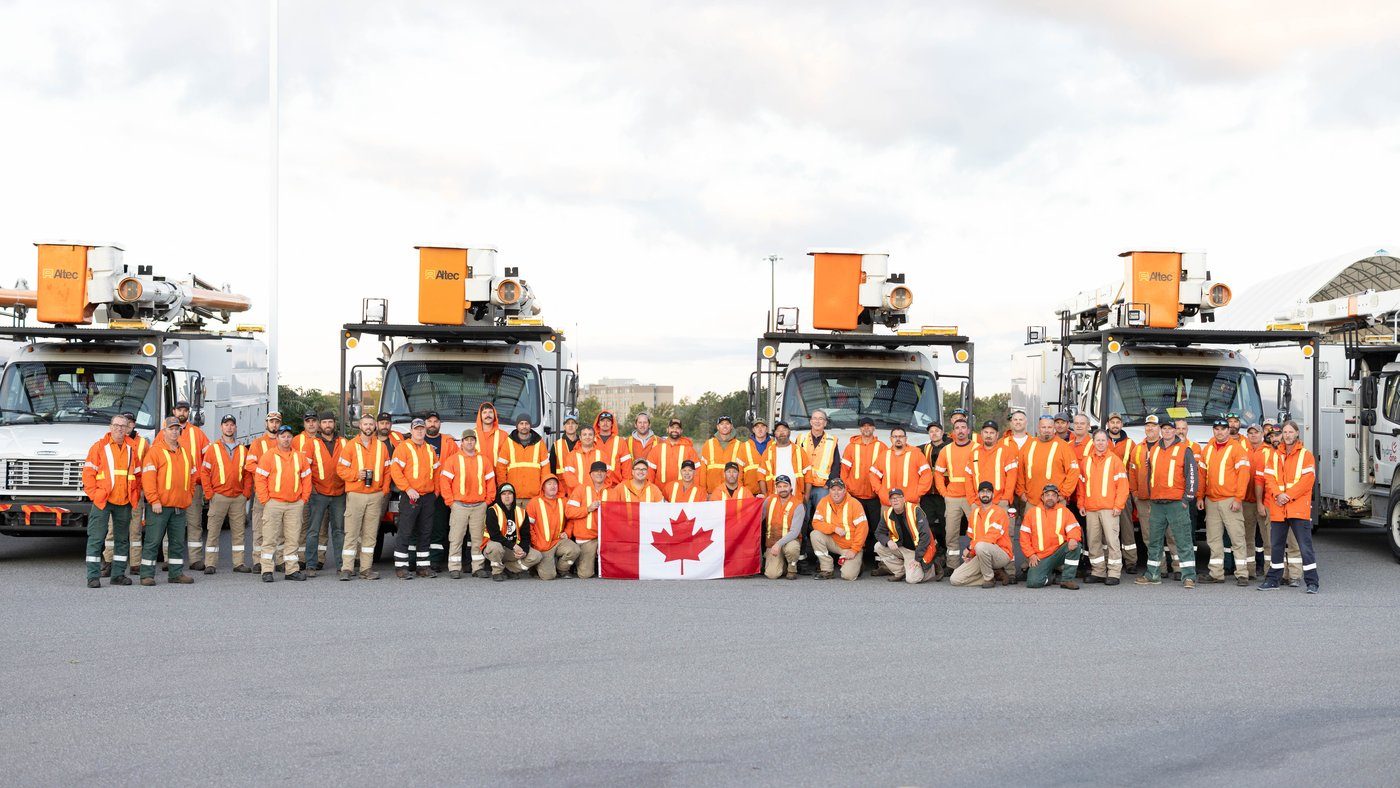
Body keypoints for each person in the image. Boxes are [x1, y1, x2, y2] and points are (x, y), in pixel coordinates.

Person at [1135, 419, 1199, 588]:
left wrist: (1187, 499)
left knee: (1183, 540)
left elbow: (1192, 475)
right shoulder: (1154, 449)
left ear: (1175, 431)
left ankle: (1189, 577)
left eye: (1170, 429)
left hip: (1177, 503)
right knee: (1154, 541)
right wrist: (1150, 496)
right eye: (1164, 428)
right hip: (1156, 503)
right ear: (1160, 430)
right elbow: (1150, 475)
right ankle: (1153, 574)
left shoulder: (1185, 450)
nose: (1168, 431)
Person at [1259, 421, 1320, 593]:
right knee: (1276, 546)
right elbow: (1269, 478)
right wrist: (1279, 494)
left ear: (1297, 433)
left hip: (1298, 507)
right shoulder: (1274, 455)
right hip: (1279, 507)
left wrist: (1287, 495)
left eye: (1290, 432)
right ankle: (1273, 580)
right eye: (1284, 432)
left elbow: (1307, 481)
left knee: (1305, 547)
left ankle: (1312, 582)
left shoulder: (1306, 455)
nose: (1287, 435)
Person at [139, 417, 198, 586]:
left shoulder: (185, 452)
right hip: (160, 506)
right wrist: (154, 500)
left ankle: (176, 573)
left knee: (177, 542)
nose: (174, 431)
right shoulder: (155, 451)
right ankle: (146, 575)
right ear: (164, 431)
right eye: (170, 429)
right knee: (153, 541)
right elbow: (148, 479)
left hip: (180, 506)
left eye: (176, 429)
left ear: (180, 431)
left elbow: (193, 476)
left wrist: (188, 496)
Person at [82, 415, 139, 587]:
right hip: (103, 500)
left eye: (123, 426)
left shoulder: (133, 447)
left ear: (128, 428)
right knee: (96, 538)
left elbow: (138, 474)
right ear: (110, 427)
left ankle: (118, 575)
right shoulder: (99, 447)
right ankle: (92, 576)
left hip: (124, 500)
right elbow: (88, 474)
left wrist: (134, 494)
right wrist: (95, 495)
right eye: (116, 425)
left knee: (122, 540)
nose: (120, 429)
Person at [253, 424, 312, 581]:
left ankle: (291, 570)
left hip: (295, 504)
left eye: (288, 436)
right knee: (269, 538)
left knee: (293, 538)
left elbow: (307, 478)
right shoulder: (269, 456)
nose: (286, 439)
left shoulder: (299, 457)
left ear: (292, 438)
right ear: (277, 438)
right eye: (283, 436)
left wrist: (303, 499)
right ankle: (266, 570)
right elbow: (260, 478)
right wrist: (266, 500)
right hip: (274, 503)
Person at [337, 413, 390, 580]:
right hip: (356, 495)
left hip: (375, 495)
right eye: (365, 424)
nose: (368, 427)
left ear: (374, 426)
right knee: (351, 533)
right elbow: (340, 469)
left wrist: (384, 491)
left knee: (370, 534)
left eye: (370, 424)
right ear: (360, 426)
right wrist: (356, 474)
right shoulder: (351, 446)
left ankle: (366, 569)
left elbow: (388, 470)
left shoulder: (382, 447)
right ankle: (347, 568)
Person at [1200, 418, 1253, 586]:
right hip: (1211, 501)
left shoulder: (1236, 449)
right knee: (1213, 539)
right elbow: (1202, 475)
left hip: (1230, 500)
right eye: (1216, 429)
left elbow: (1244, 475)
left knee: (1237, 538)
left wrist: (1238, 498)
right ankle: (1216, 573)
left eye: (1223, 429)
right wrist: (1200, 496)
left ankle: (1242, 574)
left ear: (1228, 430)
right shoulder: (1207, 449)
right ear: (1213, 431)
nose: (1220, 432)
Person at [439, 428, 496, 579]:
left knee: (478, 539)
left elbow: (491, 482)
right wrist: (450, 502)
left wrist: (487, 501)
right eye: (466, 440)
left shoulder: (484, 460)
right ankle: (454, 568)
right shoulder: (453, 460)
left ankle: (477, 568)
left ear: (475, 442)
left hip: (479, 506)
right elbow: (444, 482)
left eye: (472, 439)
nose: (469, 442)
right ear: (462, 442)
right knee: (456, 538)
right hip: (459, 506)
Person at [1246, 423, 1299, 582]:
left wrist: (1289, 496)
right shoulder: (1267, 455)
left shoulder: (1296, 454)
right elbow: (1260, 481)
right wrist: (1260, 503)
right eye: (1272, 436)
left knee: (1293, 542)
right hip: (1271, 505)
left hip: (1293, 504)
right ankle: (1276, 574)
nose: (1275, 438)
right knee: (1272, 542)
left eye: (1278, 435)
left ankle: (1294, 575)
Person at [199, 415, 250, 574]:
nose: (229, 427)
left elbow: (248, 473)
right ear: (221, 427)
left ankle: (239, 563)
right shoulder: (213, 449)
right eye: (226, 424)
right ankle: (210, 564)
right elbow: (204, 472)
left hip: (238, 498)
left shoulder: (243, 449)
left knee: (239, 533)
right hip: (219, 496)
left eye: (232, 425)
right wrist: (209, 493)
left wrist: (246, 493)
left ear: (235, 428)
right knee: (213, 531)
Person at [389, 418, 439, 578]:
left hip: (428, 497)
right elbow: (395, 471)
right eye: (416, 429)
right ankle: (401, 568)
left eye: (422, 429)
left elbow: (437, 472)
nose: (419, 431)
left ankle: (423, 567)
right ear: (411, 431)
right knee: (405, 532)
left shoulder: (430, 449)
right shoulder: (403, 448)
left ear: (425, 431)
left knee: (426, 532)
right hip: (410, 496)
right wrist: (408, 489)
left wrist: (436, 492)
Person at [1078, 429, 1129, 585]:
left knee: (1112, 541)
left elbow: (1123, 486)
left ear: (1108, 442)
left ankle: (1114, 573)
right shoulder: (1086, 461)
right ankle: (1098, 571)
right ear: (1093, 442)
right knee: (1093, 542)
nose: (1100, 443)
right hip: (1091, 508)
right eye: (1097, 440)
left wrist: (1118, 506)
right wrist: (1081, 503)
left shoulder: (1115, 461)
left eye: (1103, 440)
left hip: (1109, 508)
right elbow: (1081, 485)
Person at [301, 411, 347, 577]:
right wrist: (310, 489)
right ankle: (311, 565)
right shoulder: (311, 444)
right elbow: (305, 470)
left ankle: (342, 566)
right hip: (318, 493)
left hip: (339, 493)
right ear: (320, 425)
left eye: (330, 422)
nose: (328, 425)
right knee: (313, 530)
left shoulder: (343, 442)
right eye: (325, 422)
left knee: (339, 531)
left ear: (334, 424)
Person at [102, 413, 148, 576]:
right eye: (122, 424)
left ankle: (135, 564)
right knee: (112, 530)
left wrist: (144, 490)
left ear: (133, 425)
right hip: (116, 494)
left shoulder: (142, 444)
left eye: (128, 424)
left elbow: (146, 469)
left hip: (136, 493)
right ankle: (108, 562)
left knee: (135, 530)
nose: (124, 427)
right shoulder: (111, 444)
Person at [950, 482, 1014, 588]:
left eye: (988, 492)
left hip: (1001, 554)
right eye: (982, 491)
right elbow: (973, 538)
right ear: (978, 495)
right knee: (955, 579)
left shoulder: (999, 512)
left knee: (981, 545)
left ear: (993, 495)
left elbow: (990, 538)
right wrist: (971, 554)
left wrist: (970, 548)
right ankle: (994, 575)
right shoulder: (974, 514)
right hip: (981, 552)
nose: (985, 494)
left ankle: (988, 578)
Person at [172, 399, 212, 571]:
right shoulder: (165, 432)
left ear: (189, 413)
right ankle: (170, 558)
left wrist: (203, 482)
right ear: (174, 411)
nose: (182, 413)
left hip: (193, 486)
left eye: (185, 410)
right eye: (179, 410)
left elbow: (209, 458)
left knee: (195, 523)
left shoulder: (197, 433)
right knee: (172, 524)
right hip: (172, 487)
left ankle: (195, 559)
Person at [933, 419, 976, 574]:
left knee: (976, 531)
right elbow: (937, 473)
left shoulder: (977, 448)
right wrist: (944, 493)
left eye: (963, 427)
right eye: (957, 428)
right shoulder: (947, 450)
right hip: (953, 497)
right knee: (951, 532)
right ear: (953, 432)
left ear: (969, 430)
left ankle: (974, 562)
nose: (960, 430)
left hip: (973, 497)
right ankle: (952, 565)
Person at [1020, 484, 1082, 589]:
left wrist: (1073, 539)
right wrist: (1031, 555)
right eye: (1047, 495)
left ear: (1058, 498)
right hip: (1040, 556)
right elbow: (1024, 537)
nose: (1050, 498)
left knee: (1076, 546)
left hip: (1058, 552)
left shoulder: (1065, 511)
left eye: (1053, 495)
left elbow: (1074, 528)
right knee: (1033, 583)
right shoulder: (1032, 513)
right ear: (1042, 498)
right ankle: (1050, 577)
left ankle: (1067, 580)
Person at [244, 412, 284, 573]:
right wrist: (266, 472)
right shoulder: (258, 443)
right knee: (259, 528)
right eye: (271, 422)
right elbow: (249, 465)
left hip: (281, 493)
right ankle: (259, 560)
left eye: (277, 422)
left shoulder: (286, 442)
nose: (274, 425)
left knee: (281, 529)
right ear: (266, 423)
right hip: (262, 492)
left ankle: (281, 560)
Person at [1124, 414, 1161, 575]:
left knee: (1170, 535)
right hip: (1144, 499)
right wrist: (1135, 492)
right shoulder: (1138, 448)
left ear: (1159, 428)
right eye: (1148, 426)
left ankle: (1176, 568)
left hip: (1163, 499)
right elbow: (1132, 472)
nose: (1150, 428)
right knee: (1148, 536)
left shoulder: (1166, 446)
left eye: (1153, 426)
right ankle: (1157, 567)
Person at [873, 488, 935, 584]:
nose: (895, 500)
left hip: (917, 550)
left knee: (912, 579)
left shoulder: (915, 510)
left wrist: (917, 558)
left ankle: (930, 570)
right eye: (892, 498)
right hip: (902, 547)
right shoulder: (887, 514)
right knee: (878, 546)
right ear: (890, 501)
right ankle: (900, 572)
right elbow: (878, 533)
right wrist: (888, 541)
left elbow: (925, 535)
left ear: (904, 499)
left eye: (898, 497)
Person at [524, 476, 580, 580]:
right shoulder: (534, 502)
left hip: (559, 541)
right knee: (549, 576)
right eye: (549, 484)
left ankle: (562, 570)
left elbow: (571, 519)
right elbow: (528, 526)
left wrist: (567, 532)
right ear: (543, 487)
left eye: (555, 484)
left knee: (575, 550)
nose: (552, 486)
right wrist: (536, 542)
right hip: (542, 545)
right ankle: (535, 567)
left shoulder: (564, 501)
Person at [809, 479, 866, 580]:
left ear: (845, 491)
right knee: (815, 534)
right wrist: (834, 528)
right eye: (833, 489)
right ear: (829, 491)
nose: (836, 492)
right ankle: (827, 570)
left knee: (848, 576)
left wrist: (854, 550)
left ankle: (858, 564)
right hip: (834, 542)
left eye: (839, 489)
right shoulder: (824, 501)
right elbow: (816, 523)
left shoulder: (854, 504)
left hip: (851, 546)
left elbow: (863, 529)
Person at [1016, 415, 1078, 506]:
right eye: (1043, 427)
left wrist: (1064, 494)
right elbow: (1019, 471)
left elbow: (1074, 471)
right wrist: (1021, 492)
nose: (1046, 430)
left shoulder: (1064, 447)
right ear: (1038, 428)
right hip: (1032, 502)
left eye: (1049, 427)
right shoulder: (1028, 445)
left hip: (1056, 502)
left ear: (1054, 428)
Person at [1103, 412, 1139, 572]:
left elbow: (1134, 468)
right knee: (1106, 528)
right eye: (1112, 422)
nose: (1115, 425)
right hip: (1104, 492)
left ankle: (1131, 561)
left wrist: (1131, 490)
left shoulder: (1131, 444)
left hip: (1123, 492)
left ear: (1121, 425)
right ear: (1108, 425)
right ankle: (1106, 560)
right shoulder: (1101, 441)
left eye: (1118, 422)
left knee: (1126, 527)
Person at [841, 416, 887, 533]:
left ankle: (875, 551)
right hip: (855, 496)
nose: (866, 428)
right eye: (863, 426)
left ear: (874, 428)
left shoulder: (882, 447)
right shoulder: (851, 447)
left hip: (875, 496)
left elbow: (887, 471)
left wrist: (882, 491)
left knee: (876, 526)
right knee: (857, 526)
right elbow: (844, 471)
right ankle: (859, 549)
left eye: (869, 426)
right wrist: (847, 489)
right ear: (860, 429)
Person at [871, 426, 933, 513]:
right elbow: (873, 474)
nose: (898, 439)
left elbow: (926, 474)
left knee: (912, 526)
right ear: (891, 439)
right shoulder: (884, 455)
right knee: (888, 526)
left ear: (906, 438)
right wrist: (881, 492)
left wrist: (917, 493)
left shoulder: (916, 454)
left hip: (910, 504)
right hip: (888, 504)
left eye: (901, 436)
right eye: (895, 437)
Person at [565, 461, 610, 578]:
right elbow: (569, 512)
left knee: (612, 571)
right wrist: (587, 509)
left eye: (602, 471)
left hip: (606, 538)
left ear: (606, 474)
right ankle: (582, 562)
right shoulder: (580, 490)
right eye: (596, 471)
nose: (599, 474)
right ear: (590, 474)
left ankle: (597, 562)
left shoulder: (612, 491)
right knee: (585, 574)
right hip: (586, 538)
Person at [482, 483, 534, 580]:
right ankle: (497, 572)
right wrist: (514, 546)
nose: (507, 497)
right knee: (496, 546)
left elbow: (526, 536)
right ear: (499, 496)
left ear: (514, 496)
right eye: (504, 494)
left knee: (536, 556)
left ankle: (509, 569)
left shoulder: (521, 512)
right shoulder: (492, 511)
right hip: (493, 548)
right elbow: (495, 536)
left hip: (512, 550)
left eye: (509, 494)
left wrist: (524, 551)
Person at [796, 409, 841, 518]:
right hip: (803, 485)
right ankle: (803, 535)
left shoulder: (832, 440)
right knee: (802, 515)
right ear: (811, 422)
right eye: (815, 418)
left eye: (821, 419)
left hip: (822, 487)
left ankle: (818, 535)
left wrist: (829, 484)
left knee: (822, 515)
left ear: (825, 423)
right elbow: (795, 460)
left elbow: (836, 465)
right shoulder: (801, 438)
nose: (817, 421)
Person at [497, 416, 549, 507]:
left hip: (534, 496)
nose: (524, 426)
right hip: (513, 495)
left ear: (530, 426)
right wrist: (504, 489)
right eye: (521, 423)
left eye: (527, 424)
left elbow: (546, 469)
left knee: (531, 521)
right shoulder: (508, 443)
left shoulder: (540, 443)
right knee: (513, 521)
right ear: (517, 426)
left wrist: (543, 490)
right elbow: (501, 468)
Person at [761, 475, 805, 579]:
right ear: (776, 488)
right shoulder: (769, 500)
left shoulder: (798, 505)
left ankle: (792, 568)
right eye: (779, 486)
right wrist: (757, 501)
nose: (782, 489)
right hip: (772, 541)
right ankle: (783, 565)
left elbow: (795, 532)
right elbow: (758, 518)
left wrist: (778, 544)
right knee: (772, 575)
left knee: (792, 549)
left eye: (785, 486)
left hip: (790, 541)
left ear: (790, 487)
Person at [644, 417, 700, 489]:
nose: (674, 430)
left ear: (681, 431)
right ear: (667, 429)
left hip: (682, 494)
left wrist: (693, 490)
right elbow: (649, 473)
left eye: (677, 428)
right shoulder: (657, 449)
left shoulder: (689, 450)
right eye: (672, 427)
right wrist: (650, 491)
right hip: (661, 494)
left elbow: (697, 473)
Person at [762, 421, 810, 501]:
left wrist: (806, 496)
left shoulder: (799, 450)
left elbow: (808, 475)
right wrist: (765, 496)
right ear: (775, 434)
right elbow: (761, 475)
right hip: (774, 498)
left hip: (796, 497)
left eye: (784, 429)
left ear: (789, 432)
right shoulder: (768, 452)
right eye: (778, 430)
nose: (781, 432)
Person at [699, 415, 746, 493]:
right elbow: (703, 471)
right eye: (722, 424)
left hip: (732, 493)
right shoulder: (708, 444)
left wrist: (738, 492)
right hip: (712, 493)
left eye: (727, 423)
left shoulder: (740, 445)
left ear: (731, 426)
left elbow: (741, 472)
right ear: (718, 427)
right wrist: (703, 492)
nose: (724, 426)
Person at [561, 425, 606, 494]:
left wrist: (596, 490)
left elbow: (608, 474)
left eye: (590, 435)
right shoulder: (572, 455)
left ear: (594, 437)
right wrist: (582, 490)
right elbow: (568, 476)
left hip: (597, 494)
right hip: (577, 495)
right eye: (584, 434)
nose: (587, 437)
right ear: (580, 438)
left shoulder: (602, 455)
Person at [592, 411, 631, 482]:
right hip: (595, 485)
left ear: (612, 424)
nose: (605, 423)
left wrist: (624, 486)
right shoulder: (591, 440)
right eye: (602, 420)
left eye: (608, 421)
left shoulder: (620, 442)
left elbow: (626, 467)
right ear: (598, 423)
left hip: (614, 486)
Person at [740, 417, 770, 495]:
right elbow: (739, 472)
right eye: (757, 427)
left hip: (771, 493)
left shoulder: (774, 445)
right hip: (750, 493)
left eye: (762, 426)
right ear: (753, 430)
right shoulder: (744, 446)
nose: (760, 429)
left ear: (767, 429)